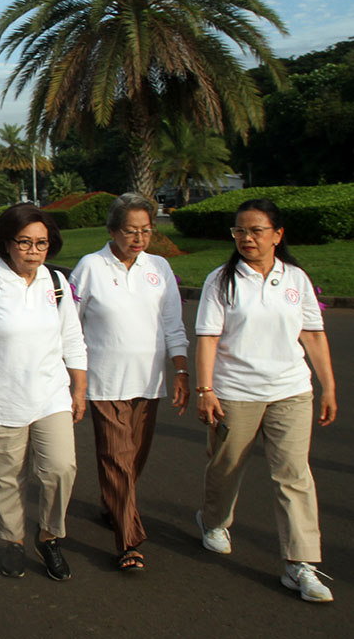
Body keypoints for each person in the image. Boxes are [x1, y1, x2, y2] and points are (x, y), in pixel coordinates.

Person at [194, 198, 338, 603]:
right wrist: (206, 390)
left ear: (278, 234)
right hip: (236, 393)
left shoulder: (295, 278)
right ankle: (214, 521)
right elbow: (208, 338)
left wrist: (328, 385)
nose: (247, 238)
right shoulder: (221, 281)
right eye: (239, 231)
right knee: (226, 466)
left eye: (256, 230)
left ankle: (300, 565)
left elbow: (312, 333)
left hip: (291, 391)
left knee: (294, 476)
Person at [0, 203, 87, 581]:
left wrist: (79, 387)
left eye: (41, 243)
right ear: (7, 243)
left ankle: (48, 536)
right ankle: (13, 541)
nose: (33, 250)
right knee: (5, 477)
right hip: (0, 400)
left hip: (51, 396)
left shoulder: (58, 284)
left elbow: (73, 339)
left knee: (61, 468)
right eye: (25, 242)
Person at [69, 193, 188, 571]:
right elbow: (68, 323)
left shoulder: (159, 269)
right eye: (130, 231)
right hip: (104, 382)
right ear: (112, 231)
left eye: (145, 231)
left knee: (132, 459)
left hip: (148, 382)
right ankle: (128, 542)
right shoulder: (90, 267)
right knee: (117, 458)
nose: (138, 238)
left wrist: (181, 370)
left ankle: (114, 505)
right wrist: (74, 378)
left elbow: (173, 324)